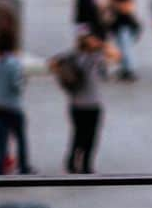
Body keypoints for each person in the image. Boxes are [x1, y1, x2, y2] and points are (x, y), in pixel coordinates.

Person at [51, 31, 119, 174]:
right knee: (90, 137)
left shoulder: (72, 57)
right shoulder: (96, 58)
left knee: (77, 134)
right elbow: (117, 56)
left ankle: (71, 162)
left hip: (75, 104)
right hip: (92, 105)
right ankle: (86, 165)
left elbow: (53, 64)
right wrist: (103, 44)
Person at [0, 31, 32, 175]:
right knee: (20, 138)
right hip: (13, 106)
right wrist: (24, 81)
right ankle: (23, 166)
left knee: (0, 139)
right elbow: (17, 85)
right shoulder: (14, 63)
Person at [104, 0, 139, 82]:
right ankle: (124, 69)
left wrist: (114, 5)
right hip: (116, 28)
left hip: (126, 27)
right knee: (120, 49)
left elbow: (128, 9)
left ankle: (130, 70)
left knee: (126, 48)